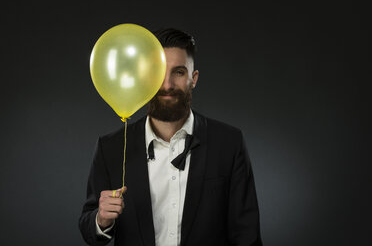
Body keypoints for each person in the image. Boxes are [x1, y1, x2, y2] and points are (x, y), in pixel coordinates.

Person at [79, 28, 263, 246]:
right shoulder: (110, 147)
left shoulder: (229, 143)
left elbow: (247, 236)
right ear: (144, 77)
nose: (167, 85)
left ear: (193, 79)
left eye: (178, 72)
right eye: (157, 72)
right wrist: (101, 219)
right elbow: (89, 229)